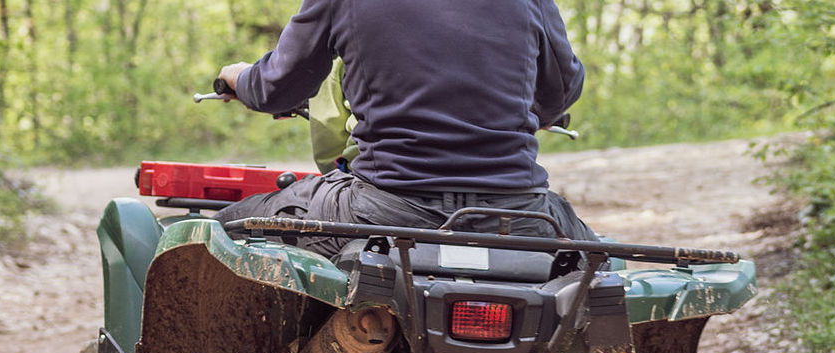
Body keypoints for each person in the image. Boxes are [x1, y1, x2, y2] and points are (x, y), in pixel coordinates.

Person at [212, 0, 596, 255]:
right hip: (518, 215)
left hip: (386, 209)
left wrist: (239, 77)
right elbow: (561, 91)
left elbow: (277, 87)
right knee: (604, 268)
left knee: (220, 235)